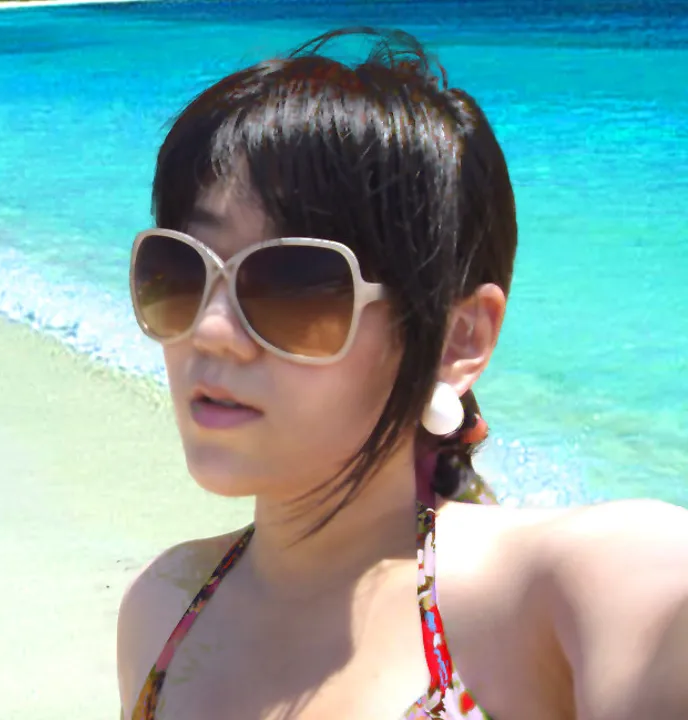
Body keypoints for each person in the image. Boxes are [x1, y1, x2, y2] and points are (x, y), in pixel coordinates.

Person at [116, 26, 688, 720]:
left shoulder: (557, 594)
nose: (209, 330)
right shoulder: (162, 609)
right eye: (180, 271)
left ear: (457, 338)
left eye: (294, 285)